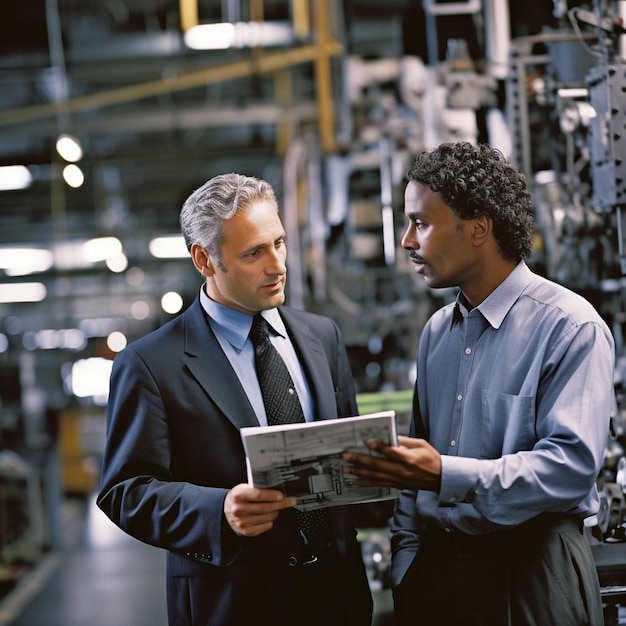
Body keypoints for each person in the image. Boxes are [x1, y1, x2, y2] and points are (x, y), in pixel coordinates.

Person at [343, 141, 615, 625]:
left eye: (421, 223)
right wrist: (408, 566)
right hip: (439, 576)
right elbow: (416, 464)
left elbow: (569, 467)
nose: (408, 241)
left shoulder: (570, 327)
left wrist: (444, 474)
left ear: (478, 228)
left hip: (533, 575)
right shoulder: (436, 335)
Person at [97, 173, 373, 626]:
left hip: (337, 595)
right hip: (233, 603)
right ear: (204, 259)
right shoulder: (150, 364)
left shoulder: (322, 336)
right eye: (253, 253)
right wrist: (218, 510)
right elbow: (125, 492)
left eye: (279, 243)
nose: (277, 265)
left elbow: (347, 454)